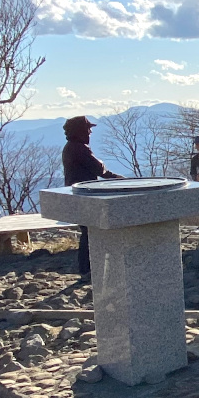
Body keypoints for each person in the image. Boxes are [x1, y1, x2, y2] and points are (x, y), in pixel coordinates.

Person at [61, 116, 124, 278]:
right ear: (81, 131)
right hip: (85, 195)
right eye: (88, 129)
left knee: (89, 231)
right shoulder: (80, 148)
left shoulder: (71, 147)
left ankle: (87, 267)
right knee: (90, 231)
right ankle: (87, 268)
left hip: (78, 194)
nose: (90, 132)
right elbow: (98, 168)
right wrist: (114, 177)